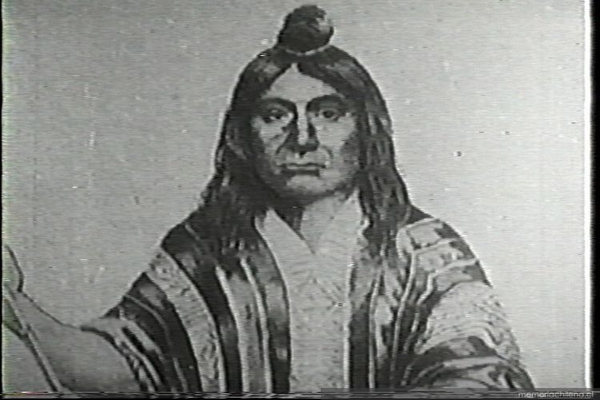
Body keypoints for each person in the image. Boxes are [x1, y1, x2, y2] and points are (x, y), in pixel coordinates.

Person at [2, 5, 534, 394]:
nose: (302, 138)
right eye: (276, 115)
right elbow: (124, 370)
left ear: (366, 129)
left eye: (327, 113)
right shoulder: (204, 248)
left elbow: (477, 376)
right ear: (244, 135)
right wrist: (12, 303)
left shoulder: (425, 250)